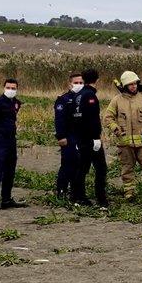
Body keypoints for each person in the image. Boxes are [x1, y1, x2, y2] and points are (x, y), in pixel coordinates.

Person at [104, 70, 142, 198]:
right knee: (127, 168)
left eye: (135, 83)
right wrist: (116, 130)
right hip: (124, 144)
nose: (134, 86)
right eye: (130, 84)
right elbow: (107, 117)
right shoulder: (117, 100)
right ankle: (129, 192)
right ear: (124, 86)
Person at [0, 78, 27, 210]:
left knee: (10, 169)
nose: (11, 90)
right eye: (9, 87)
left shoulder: (16, 103)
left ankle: (6, 199)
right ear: (4, 87)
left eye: (13, 88)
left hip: (11, 139)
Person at [70, 68, 108, 209]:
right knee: (100, 169)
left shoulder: (77, 96)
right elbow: (92, 119)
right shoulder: (90, 96)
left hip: (80, 138)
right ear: (97, 80)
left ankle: (77, 196)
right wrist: (96, 137)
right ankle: (101, 199)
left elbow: (75, 119)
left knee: (82, 168)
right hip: (90, 139)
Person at [54, 72, 84, 200]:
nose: (78, 85)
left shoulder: (85, 98)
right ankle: (61, 190)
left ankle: (75, 192)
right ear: (70, 84)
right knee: (67, 163)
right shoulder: (63, 99)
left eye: (81, 83)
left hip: (81, 137)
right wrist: (61, 137)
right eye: (76, 82)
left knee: (79, 164)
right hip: (68, 136)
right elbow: (59, 120)